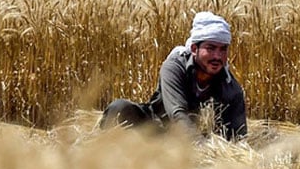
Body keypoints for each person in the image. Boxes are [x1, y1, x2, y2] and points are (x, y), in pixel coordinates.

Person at [99, 11, 247, 141]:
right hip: (155, 130)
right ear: (194, 49)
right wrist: (203, 148)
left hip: (195, 142)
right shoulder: (174, 67)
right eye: (211, 48)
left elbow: (238, 136)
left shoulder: (231, 88)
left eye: (223, 50)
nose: (217, 56)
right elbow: (177, 115)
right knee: (119, 108)